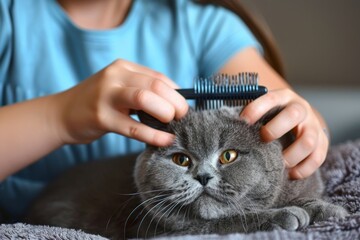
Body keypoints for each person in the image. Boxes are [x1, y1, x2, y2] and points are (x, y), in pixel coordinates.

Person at [0, 0, 330, 222]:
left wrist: (308, 127)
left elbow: (290, 112)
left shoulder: (204, 27)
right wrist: (58, 116)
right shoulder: (10, 19)